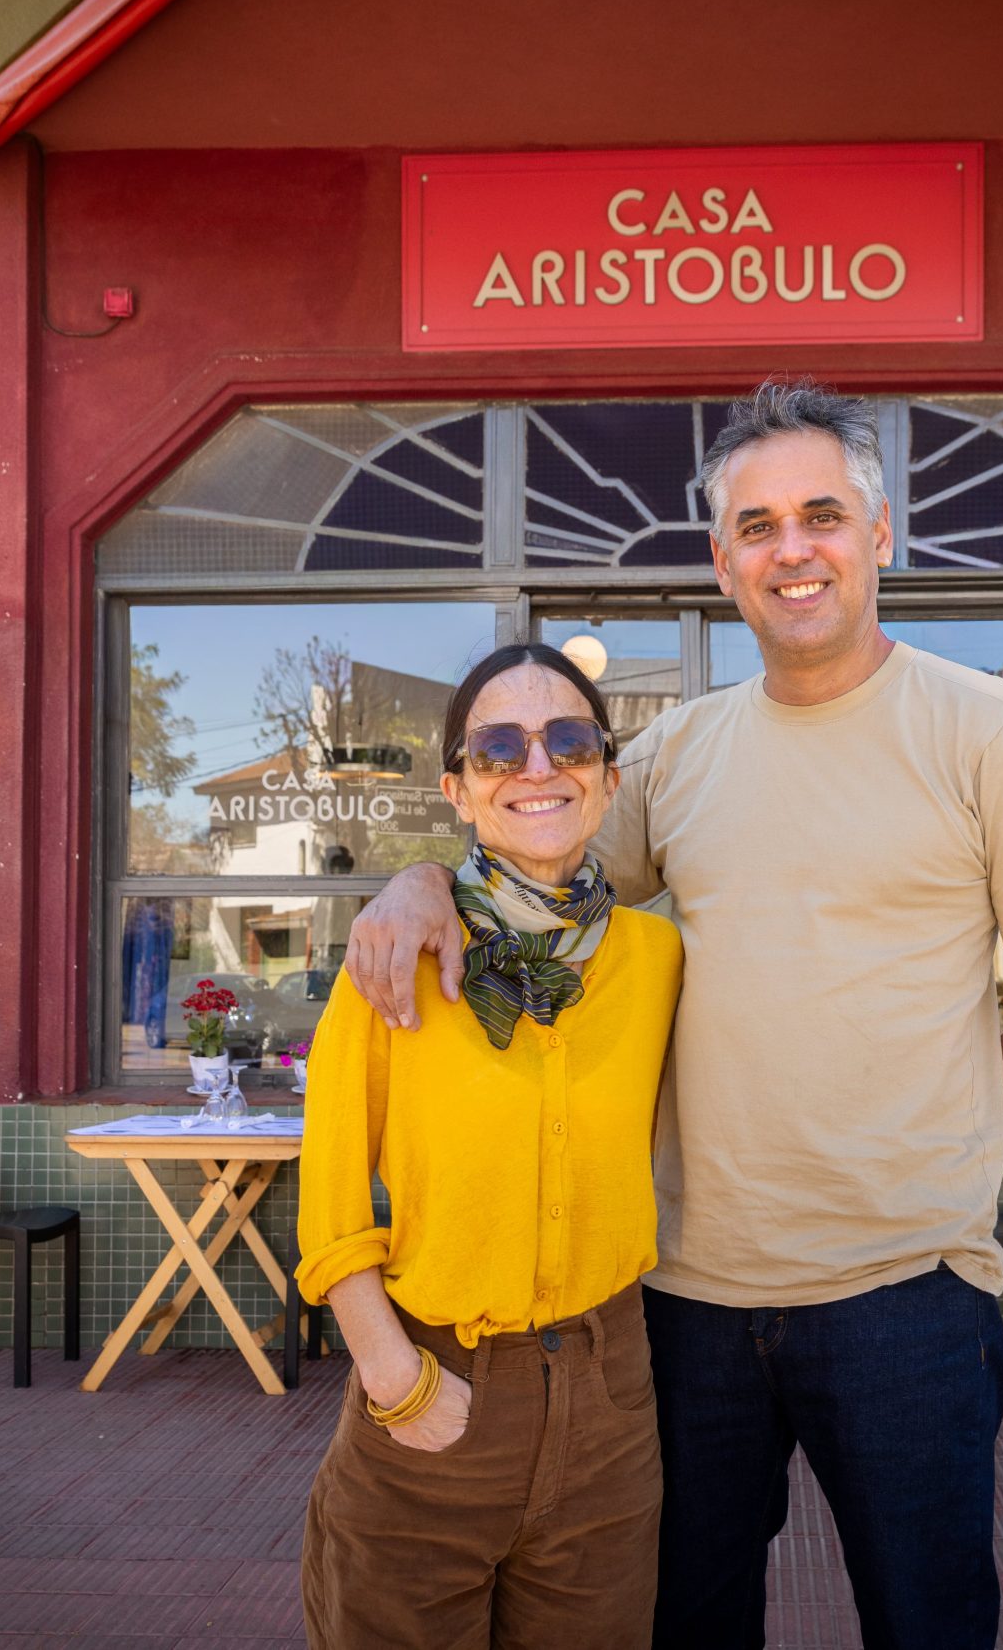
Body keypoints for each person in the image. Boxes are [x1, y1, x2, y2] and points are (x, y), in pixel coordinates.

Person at [344, 379, 1003, 1650]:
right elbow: (535, 863)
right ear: (721, 562)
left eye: (820, 513)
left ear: (880, 533)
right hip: (681, 1304)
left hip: (903, 1298)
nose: (790, 548)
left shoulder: (988, 733)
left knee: (928, 1626)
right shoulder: (677, 754)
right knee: (684, 1627)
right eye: (755, 526)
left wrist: (901, 1130)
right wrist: (421, 876)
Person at [297, 642, 684, 1650]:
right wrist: (398, 1382)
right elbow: (331, 1205)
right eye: (498, 747)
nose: (537, 767)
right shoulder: (391, 957)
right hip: (436, 1386)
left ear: (604, 775)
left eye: (568, 740)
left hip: (612, 1396)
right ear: (458, 790)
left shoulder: (656, 960)